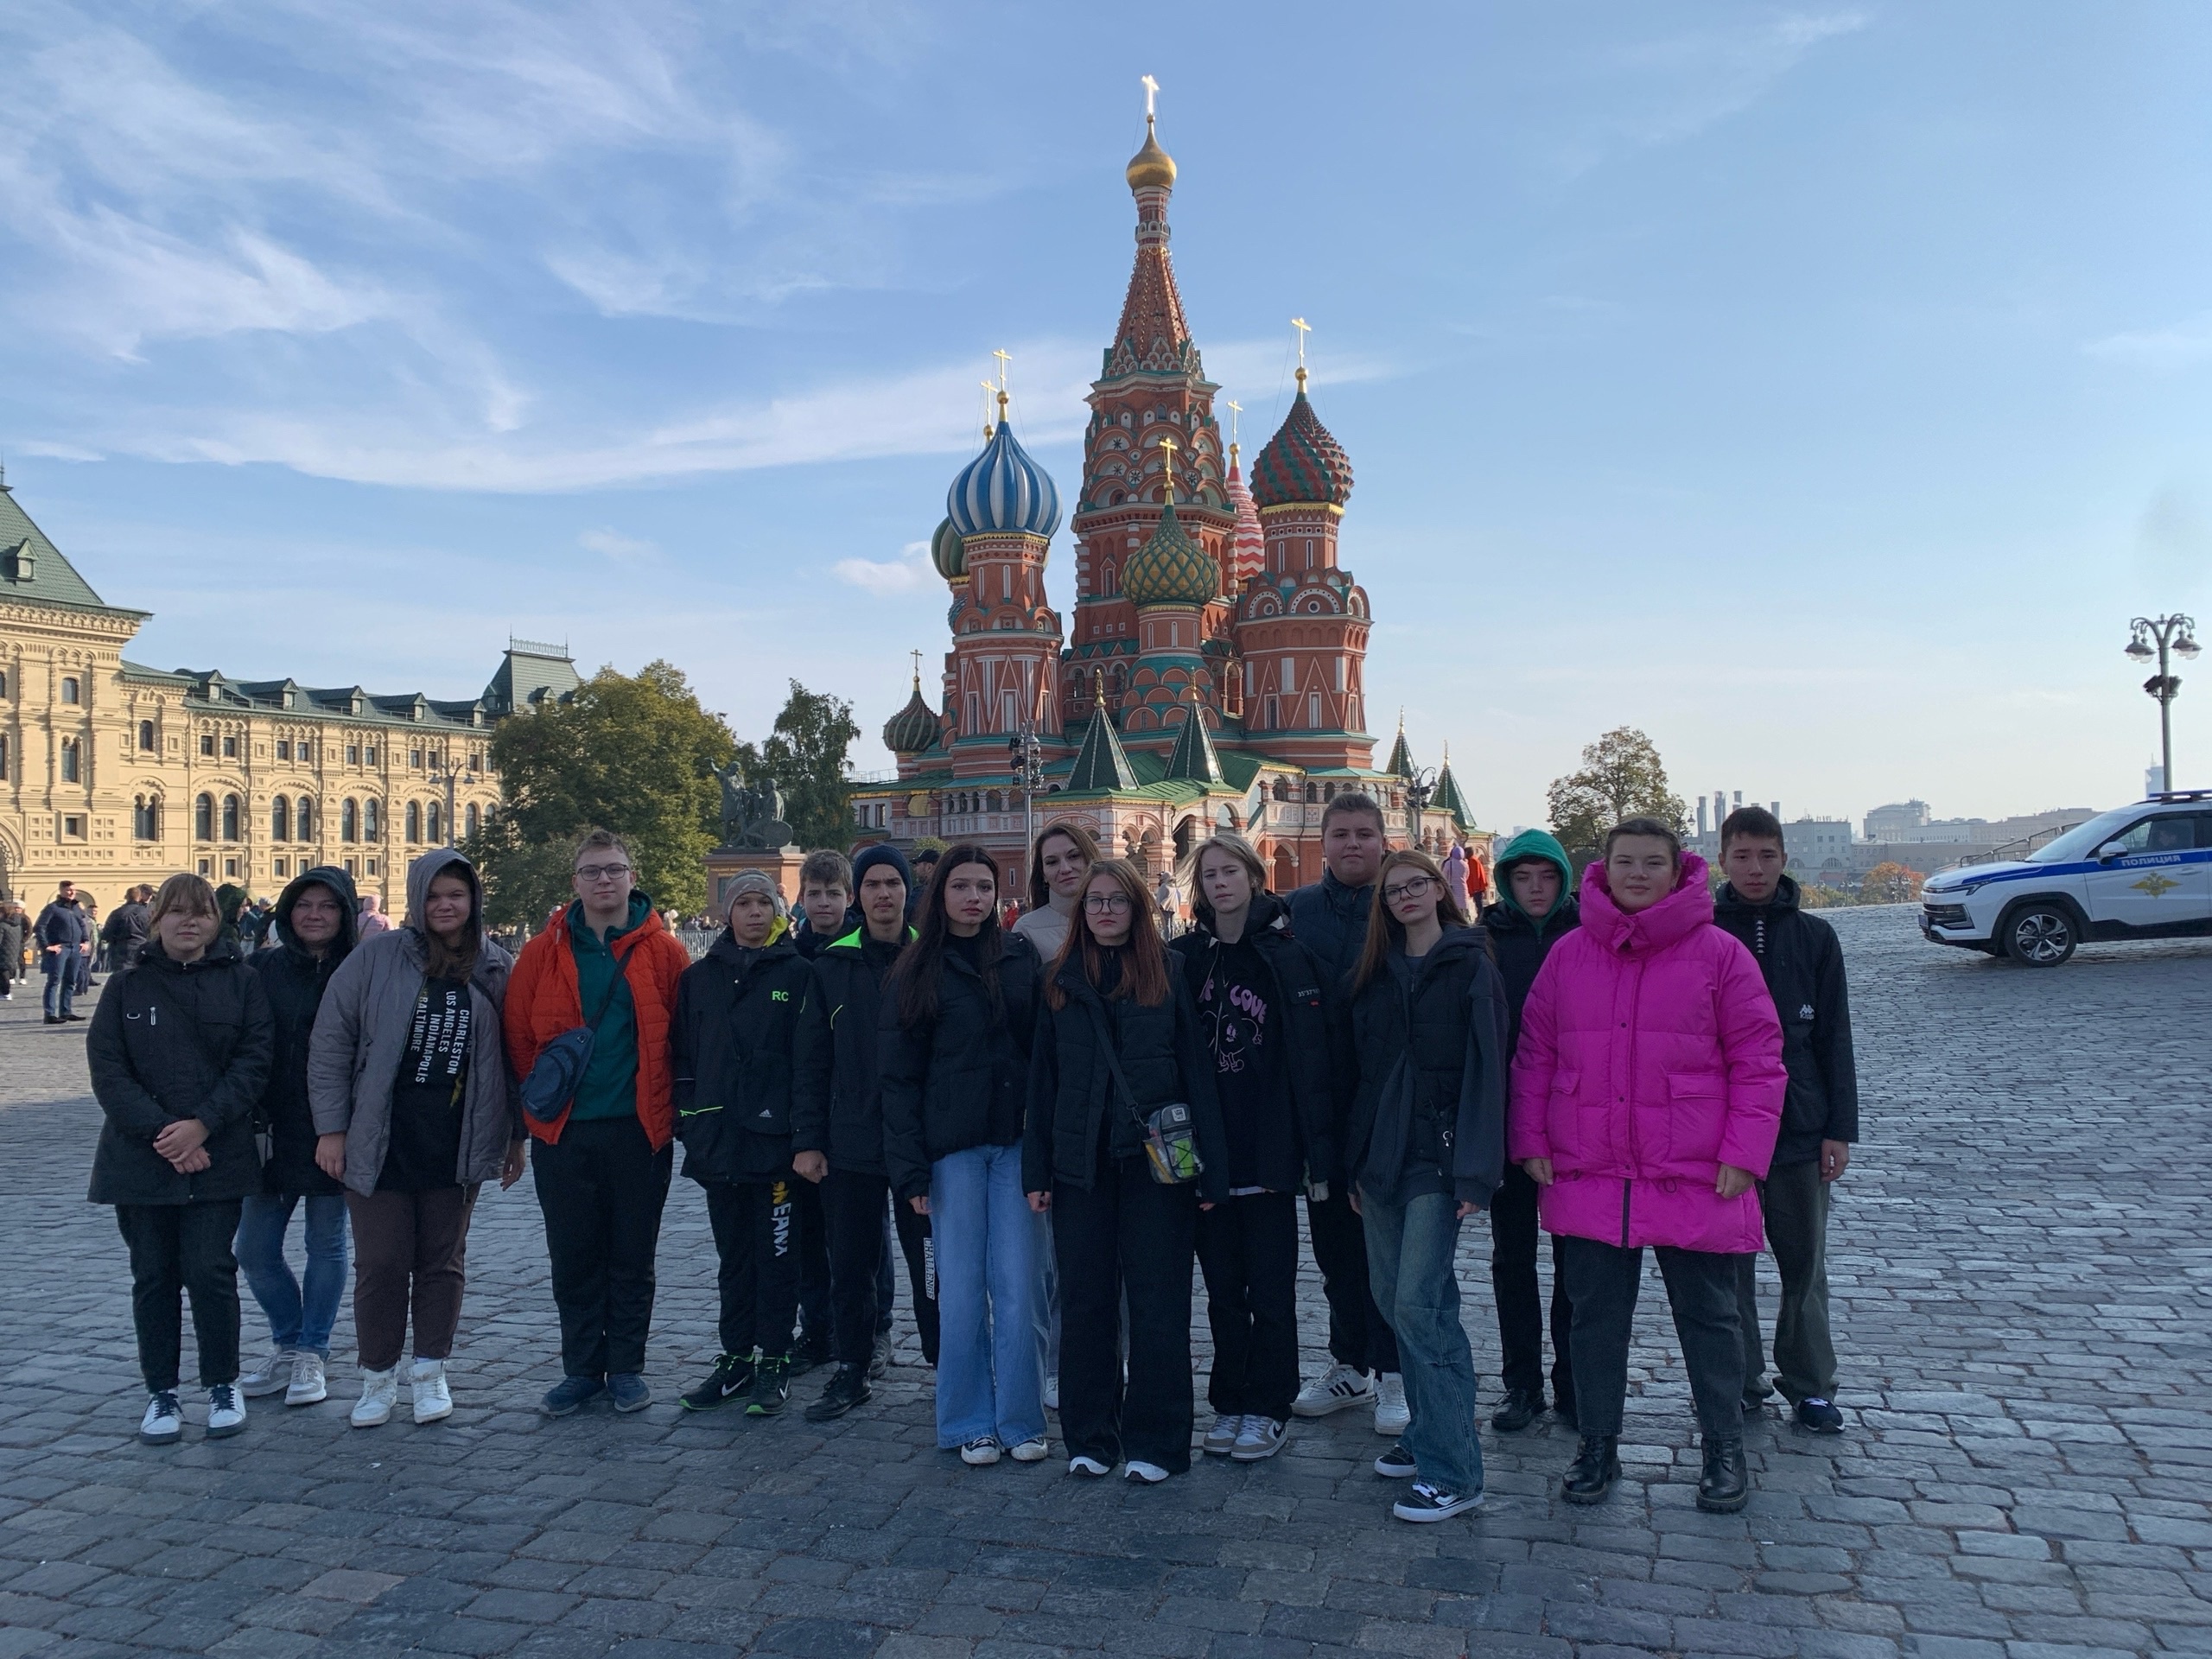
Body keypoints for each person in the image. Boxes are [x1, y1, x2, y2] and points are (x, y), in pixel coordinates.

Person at [1511, 817, 1785, 1514]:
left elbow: (1758, 1061)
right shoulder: (1570, 955)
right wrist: (1532, 1139)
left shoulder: (1720, 954)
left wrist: (1745, 1155)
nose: (1637, 874)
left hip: (1694, 1167)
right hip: (1593, 1167)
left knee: (1710, 1318)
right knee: (1595, 1321)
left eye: (1652, 863)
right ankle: (1597, 1444)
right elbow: (1536, 1056)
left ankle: (1724, 1448)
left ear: (1677, 870)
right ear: (1603, 871)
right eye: (1625, 862)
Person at [1027, 856, 1227, 1483]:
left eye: (1118, 901)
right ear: (1081, 912)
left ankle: (1159, 1442)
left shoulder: (1168, 972)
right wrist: (1039, 1169)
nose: (1106, 910)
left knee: (1158, 1305)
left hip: (1156, 1168)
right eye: (1095, 902)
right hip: (1081, 1164)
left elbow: (1197, 1074)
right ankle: (1090, 1436)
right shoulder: (1060, 979)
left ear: (1138, 910)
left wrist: (1210, 1171)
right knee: (1085, 1303)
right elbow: (1043, 1081)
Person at [308, 849, 521, 1427]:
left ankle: (430, 1372)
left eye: (456, 894)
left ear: (473, 900)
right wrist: (332, 1129)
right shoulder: (375, 959)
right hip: (381, 1138)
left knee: (442, 1262)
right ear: (416, 899)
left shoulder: (495, 966)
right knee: (380, 1263)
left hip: (455, 1140)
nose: (445, 905)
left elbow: (514, 1059)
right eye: (434, 895)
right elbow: (331, 1045)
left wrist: (515, 1137)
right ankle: (377, 1377)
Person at [1342, 847, 1509, 1522]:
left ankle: (1454, 1470)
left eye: (1417, 885)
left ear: (1441, 889)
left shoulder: (1470, 964)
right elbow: (1362, 1071)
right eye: (1394, 891)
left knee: (1421, 1305)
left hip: (1438, 1161)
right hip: (1381, 1155)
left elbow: (1489, 1070)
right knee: (1391, 1297)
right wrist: (1354, 1161)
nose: (1406, 897)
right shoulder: (1377, 971)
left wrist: (1476, 1168)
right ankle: (1423, 1434)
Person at [505, 830, 691, 1416]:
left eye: (614, 869)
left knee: (633, 1253)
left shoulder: (666, 952)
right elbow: (518, 1036)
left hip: (639, 1129)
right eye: (592, 871)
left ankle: (628, 1366)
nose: (604, 880)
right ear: (576, 883)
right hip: (565, 1131)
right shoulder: (543, 951)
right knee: (574, 1253)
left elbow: (685, 1035)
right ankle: (582, 1367)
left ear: (633, 877)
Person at [87, 873, 274, 1445]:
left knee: (211, 1272)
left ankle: (222, 1383)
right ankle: (160, 1392)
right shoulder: (125, 986)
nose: (189, 922)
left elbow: (254, 1061)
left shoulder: (242, 983)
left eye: (201, 913)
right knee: (153, 1276)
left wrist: (201, 1127)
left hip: (216, 1153)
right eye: (177, 912)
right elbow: (109, 1070)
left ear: (216, 922)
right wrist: (164, 1134)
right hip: (141, 1158)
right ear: (156, 919)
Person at [1168, 834, 1335, 1463]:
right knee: (1221, 1292)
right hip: (1210, 1152)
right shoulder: (1183, 959)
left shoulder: (1288, 958)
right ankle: (1230, 1401)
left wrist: (1304, 1147)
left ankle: (1269, 1405)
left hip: (1267, 1149)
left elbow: (1311, 1060)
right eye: (1208, 873)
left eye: (1230, 870)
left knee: (1270, 1291)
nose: (1219, 883)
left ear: (1255, 877)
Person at [883, 845, 1047, 1466]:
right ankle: (966, 1421)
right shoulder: (916, 971)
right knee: (959, 1291)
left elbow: (1040, 1061)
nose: (975, 897)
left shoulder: (1018, 959)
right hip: (950, 1150)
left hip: (1012, 1145)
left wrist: (1043, 1152)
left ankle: (1021, 1419)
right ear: (940, 894)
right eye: (962, 886)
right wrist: (910, 1169)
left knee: (1016, 1287)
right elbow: (898, 1079)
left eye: (984, 886)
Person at [1713, 806, 1859, 1436]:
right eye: (1742, 856)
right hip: (1722, 1129)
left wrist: (1839, 1129)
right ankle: (1740, 1378)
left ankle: (1809, 1382)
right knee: (1728, 1264)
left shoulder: (1816, 938)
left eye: (1766, 856)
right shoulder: (1703, 932)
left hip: (1798, 1126)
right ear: (1723, 860)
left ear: (1783, 859)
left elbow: (1835, 1039)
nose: (1754, 869)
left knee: (1804, 1264)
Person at [793, 844, 938, 1422]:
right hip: (848, 1141)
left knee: (931, 1266)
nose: (884, 894)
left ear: (908, 893)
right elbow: (811, 1060)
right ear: (859, 895)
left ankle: (945, 1366)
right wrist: (808, 1140)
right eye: (873, 885)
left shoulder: (930, 958)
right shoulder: (832, 965)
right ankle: (852, 1368)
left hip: (916, 1143)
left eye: (893, 884)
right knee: (849, 1264)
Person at [671, 872, 817, 1416]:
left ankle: (775, 1356)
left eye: (764, 903)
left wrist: (805, 1138)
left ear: (778, 910)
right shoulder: (700, 978)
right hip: (718, 1144)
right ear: (727, 913)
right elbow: (684, 1056)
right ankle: (735, 1355)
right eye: (744, 904)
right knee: (733, 1258)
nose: (754, 913)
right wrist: (689, 1121)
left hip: (775, 1146)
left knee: (777, 1256)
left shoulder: (799, 974)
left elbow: (808, 1063)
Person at [1283, 793, 1404, 1435]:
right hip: (1319, 1104)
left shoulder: (1405, 905)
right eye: (1340, 835)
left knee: (1388, 1252)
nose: (1352, 845)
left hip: (1386, 1104)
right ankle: (1351, 1364)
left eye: (1363, 834)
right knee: (1334, 1250)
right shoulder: (1297, 911)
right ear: (1323, 842)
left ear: (1382, 841)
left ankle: (1395, 1373)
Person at [236, 866, 359, 1410]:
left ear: (344, 915)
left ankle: (313, 1350)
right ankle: (288, 1341)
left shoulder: (358, 969)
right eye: (305, 905)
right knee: (254, 1250)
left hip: (335, 1126)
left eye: (327, 906)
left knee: (325, 1244)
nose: (315, 915)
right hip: (271, 1127)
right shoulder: (261, 967)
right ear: (288, 911)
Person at [1480, 829, 1582, 1433]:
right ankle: (1522, 1382)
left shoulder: (1587, 934)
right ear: (1506, 882)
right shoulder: (1486, 939)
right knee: (1512, 1259)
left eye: (1546, 877)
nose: (1536, 889)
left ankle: (1572, 1379)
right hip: (1509, 1119)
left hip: (1573, 1121)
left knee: (1575, 1260)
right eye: (1524, 877)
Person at [1008, 817, 1101, 1408]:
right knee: (1060, 1256)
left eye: (1074, 857)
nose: (1064, 869)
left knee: (1107, 1254)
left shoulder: (1123, 917)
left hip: (1115, 1109)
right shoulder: (1030, 932)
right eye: (1052, 861)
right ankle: (1058, 1362)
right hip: (1061, 1105)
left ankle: (1104, 1358)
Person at [785, 849, 852, 1370]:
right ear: (801, 899)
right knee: (808, 1234)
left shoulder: (864, 951)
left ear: (848, 898)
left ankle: (871, 1333)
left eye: (833, 894)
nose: (824, 903)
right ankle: (818, 1329)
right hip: (805, 1112)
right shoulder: (789, 956)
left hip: (854, 1114)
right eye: (815, 894)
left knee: (860, 1237)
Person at [36, 879, 92, 1024]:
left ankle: (66, 1011)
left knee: (70, 981)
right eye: (68, 890)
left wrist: (85, 941)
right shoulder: (53, 908)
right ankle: (49, 1014)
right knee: (54, 981)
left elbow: (82, 924)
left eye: (73, 890)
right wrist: (46, 946)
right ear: (61, 891)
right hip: (60, 949)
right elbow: (40, 927)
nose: (72, 892)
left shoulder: (76, 908)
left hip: (75, 948)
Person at [102, 885, 153, 971]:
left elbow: (107, 933)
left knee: (121, 976)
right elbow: (152, 931)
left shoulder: (117, 913)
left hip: (120, 949)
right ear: (140, 897)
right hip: (141, 947)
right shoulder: (146, 913)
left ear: (126, 897)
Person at [0, 900, 23, 1001]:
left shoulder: (2, 925)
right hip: (12, 952)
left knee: (3, 973)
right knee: (5, 972)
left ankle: (6, 993)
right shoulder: (17, 925)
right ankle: (5, 992)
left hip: (3, 951)